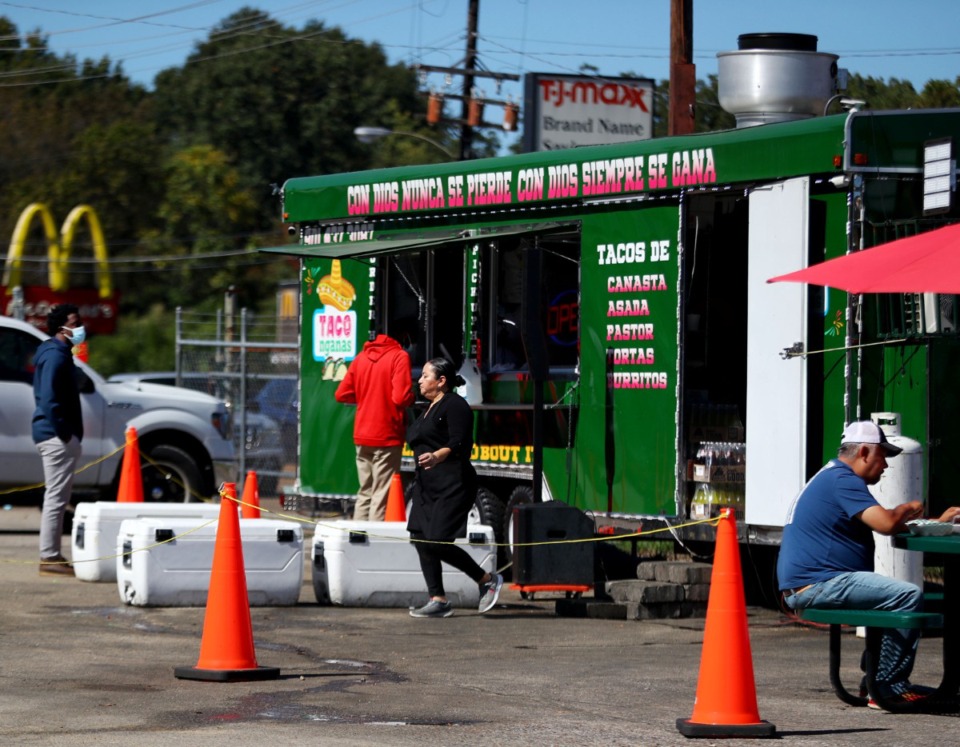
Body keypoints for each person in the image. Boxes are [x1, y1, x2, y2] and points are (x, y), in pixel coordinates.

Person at [778, 420, 960, 709]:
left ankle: (874, 680)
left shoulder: (832, 476)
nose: (885, 466)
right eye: (882, 457)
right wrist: (910, 507)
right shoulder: (843, 480)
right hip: (819, 584)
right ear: (864, 451)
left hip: (813, 582)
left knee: (889, 595)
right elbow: (887, 523)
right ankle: (888, 687)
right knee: (906, 594)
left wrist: (936, 524)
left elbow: (885, 524)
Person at [406, 357, 503, 618]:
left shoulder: (455, 405)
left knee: (437, 540)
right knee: (420, 538)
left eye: (425, 376)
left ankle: (486, 580)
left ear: (441, 381)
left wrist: (439, 455)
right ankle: (437, 598)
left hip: (453, 484)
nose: (420, 380)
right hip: (426, 487)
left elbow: (461, 442)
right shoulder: (426, 408)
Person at [335, 329, 415, 521]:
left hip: (362, 433)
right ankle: (372, 543)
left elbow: (341, 394)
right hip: (387, 433)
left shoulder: (361, 358)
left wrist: (366, 396)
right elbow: (401, 396)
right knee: (381, 494)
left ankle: (357, 538)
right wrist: (413, 397)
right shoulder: (399, 356)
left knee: (365, 491)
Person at [32, 304, 85, 576]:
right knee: (56, 498)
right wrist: (66, 434)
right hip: (56, 437)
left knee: (56, 497)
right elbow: (51, 400)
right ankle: (50, 556)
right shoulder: (55, 356)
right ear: (62, 327)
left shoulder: (54, 353)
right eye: (75, 323)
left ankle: (52, 554)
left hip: (53, 435)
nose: (80, 328)